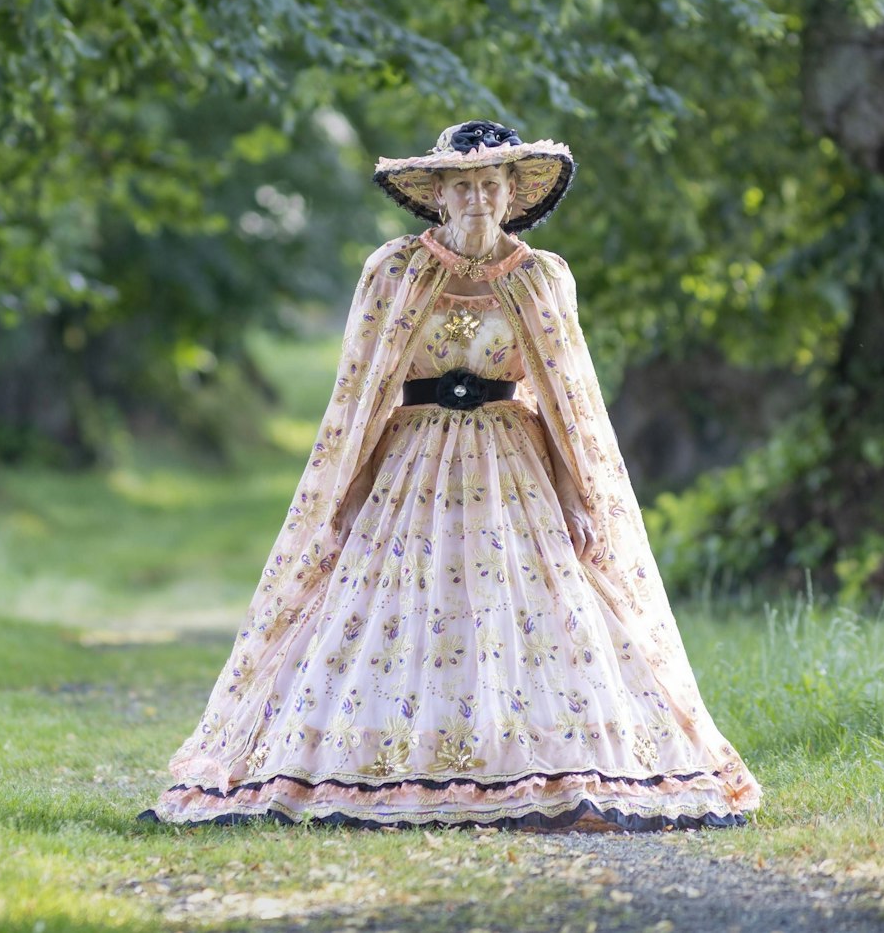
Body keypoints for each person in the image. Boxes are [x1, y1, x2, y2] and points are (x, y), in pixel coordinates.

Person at [136, 120, 762, 831]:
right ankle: (382, 756)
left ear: (510, 195)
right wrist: (347, 493)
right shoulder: (394, 271)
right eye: (462, 185)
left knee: (515, 609)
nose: (476, 198)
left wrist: (572, 495)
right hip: (410, 466)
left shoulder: (542, 277)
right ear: (437, 194)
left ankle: (526, 758)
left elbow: (561, 401)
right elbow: (364, 393)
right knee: (399, 606)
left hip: (511, 468)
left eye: (490, 184)